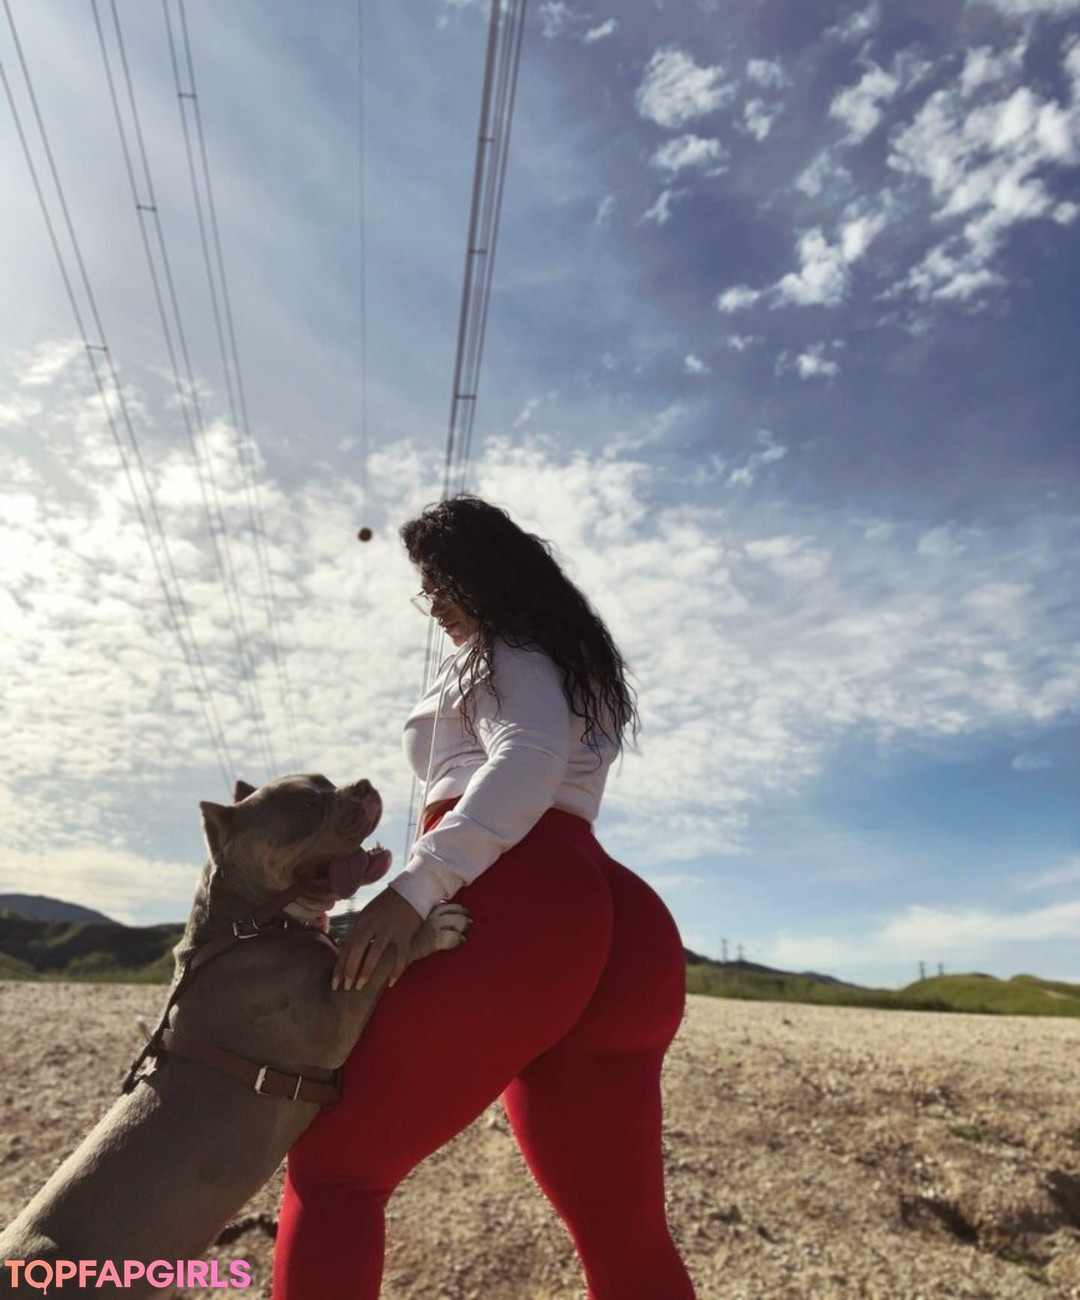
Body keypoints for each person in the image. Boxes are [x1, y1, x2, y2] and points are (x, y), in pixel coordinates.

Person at [272, 495, 696, 1300]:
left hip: (516, 900)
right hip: (609, 913)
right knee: (624, 1232)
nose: (430, 602)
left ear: (484, 574)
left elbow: (527, 759)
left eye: (439, 583)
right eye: (424, 588)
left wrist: (415, 889)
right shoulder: (565, 656)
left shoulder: (508, 649)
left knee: (334, 1173)